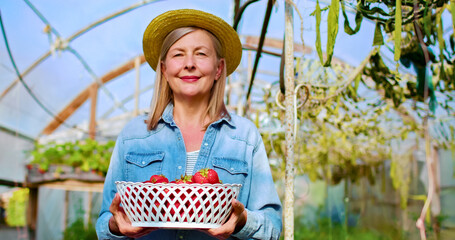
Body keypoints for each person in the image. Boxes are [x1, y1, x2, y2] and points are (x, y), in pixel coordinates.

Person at [96, 9, 282, 240]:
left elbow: (272, 227)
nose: (190, 64)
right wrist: (116, 225)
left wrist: (242, 221)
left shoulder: (244, 137)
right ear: (164, 69)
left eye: (201, 54)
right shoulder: (133, 136)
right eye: (178, 55)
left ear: (219, 69)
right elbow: (105, 222)